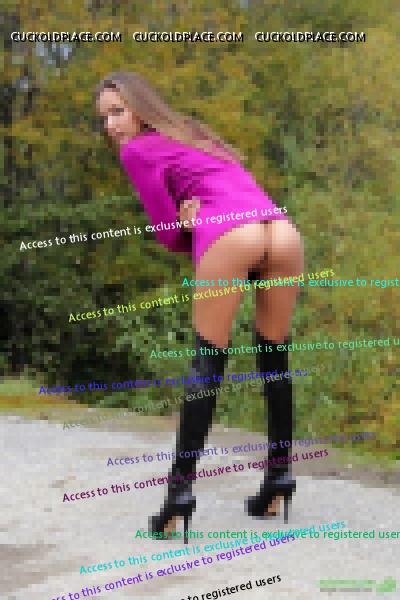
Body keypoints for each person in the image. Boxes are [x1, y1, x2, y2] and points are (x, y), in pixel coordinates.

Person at [95, 71, 304, 543]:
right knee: (274, 356)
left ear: (140, 107)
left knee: (207, 360)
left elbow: (168, 234)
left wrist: (186, 224)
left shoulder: (137, 150)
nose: (111, 125)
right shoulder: (196, 134)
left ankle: (179, 496)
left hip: (231, 232)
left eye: (117, 112)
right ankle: (279, 478)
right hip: (281, 231)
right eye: (104, 117)